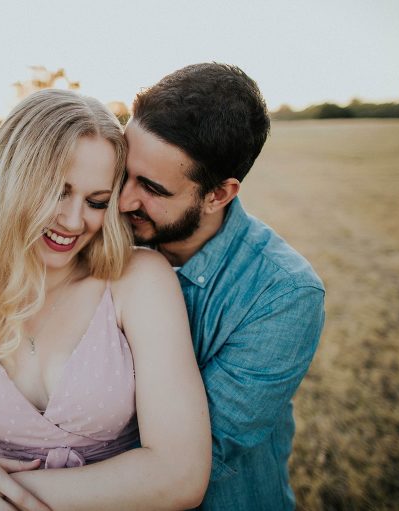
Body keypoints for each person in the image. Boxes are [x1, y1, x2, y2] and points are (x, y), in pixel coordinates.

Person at [0, 88, 211, 510]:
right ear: (10, 182)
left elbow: (180, 476)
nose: (73, 222)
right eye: (57, 190)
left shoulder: (137, 281)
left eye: (96, 202)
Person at [118, 63, 326, 509]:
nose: (122, 200)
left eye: (151, 188)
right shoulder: (103, 234)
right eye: (123, 172)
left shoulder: (283, 294)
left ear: (218, 195)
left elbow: (192, 454)